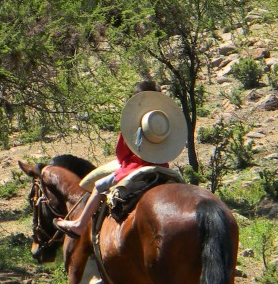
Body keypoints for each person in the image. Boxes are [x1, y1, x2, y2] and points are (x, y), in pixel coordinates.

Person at [54, 81, 185, 239]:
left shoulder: (134, 123)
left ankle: (79, 224)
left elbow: (121, 154)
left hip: (135, 167)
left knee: (99, 186)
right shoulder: (163, 121)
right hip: (163, 167)